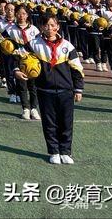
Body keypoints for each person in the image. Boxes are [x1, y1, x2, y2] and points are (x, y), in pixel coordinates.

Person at [15, 13, 84, 164]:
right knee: (49, 122)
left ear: (58, 27)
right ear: (41, 27)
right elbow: (18, 55)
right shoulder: (34, 44)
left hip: (66, 90)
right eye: (46, 25)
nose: (50, 28)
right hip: (45, 90)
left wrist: (78, 89)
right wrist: (17, 70)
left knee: (66, 122)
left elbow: (77, 69)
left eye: (53, 25)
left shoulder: (67, 46)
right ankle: (54, 151)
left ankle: (65, 151)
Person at [5, 4, 41, 120]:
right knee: (22, 85)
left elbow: (40, 43)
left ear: (27, 15)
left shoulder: (34, 29)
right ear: (16, 14)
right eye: (19, 13)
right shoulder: (10, 29)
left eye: (24, 14)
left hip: (33, 60)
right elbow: (2, 41)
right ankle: (25, 108)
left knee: (33, 86)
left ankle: (34, 108)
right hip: (18, 59)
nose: (21, 16)